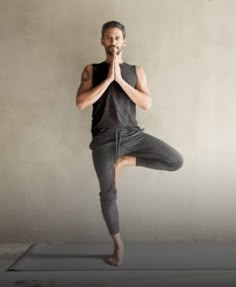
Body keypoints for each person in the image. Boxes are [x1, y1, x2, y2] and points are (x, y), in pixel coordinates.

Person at [76, 20, 184, 266]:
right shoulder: (91, 70)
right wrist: (108, 79)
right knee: (108, 194)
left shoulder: (137, 71)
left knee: (175, 160)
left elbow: (146, 104)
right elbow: (81, 103)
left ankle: (125, 161)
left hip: (132, 136)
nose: (112, 42)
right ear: (102, 41)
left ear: (124, 42)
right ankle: (118, 245)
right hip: (103, 139)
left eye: (117, 38)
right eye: (108, 37)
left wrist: (121, 80)